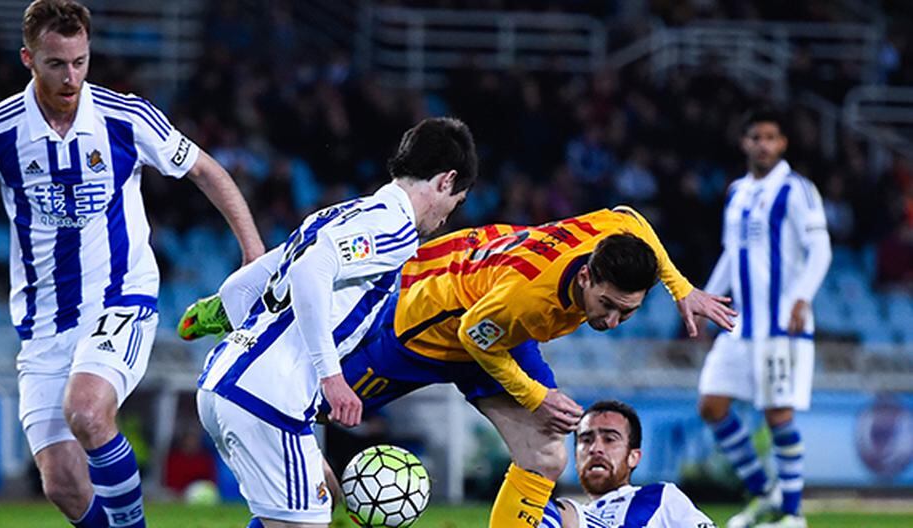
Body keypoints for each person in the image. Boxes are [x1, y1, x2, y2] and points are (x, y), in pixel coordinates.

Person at [186, 205, 736, 528]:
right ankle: (238, 303)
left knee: (544, 453)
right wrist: (536, 396)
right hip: (421, 324)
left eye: (628, 312)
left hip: (493, 325)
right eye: (608, 306)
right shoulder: (530, 296)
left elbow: (631, 218)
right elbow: (477, 334)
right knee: (295, 419)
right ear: (587, 277)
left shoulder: (614, 246)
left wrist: (680, 288)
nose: (614, 320)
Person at [0, 2, 264, 527]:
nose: (71, 77)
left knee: (88, 411)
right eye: (56, 64)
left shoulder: (125, 117)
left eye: (80, 62)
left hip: (120, 299)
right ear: (29, 58)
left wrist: (251, 250)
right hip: (43, 321)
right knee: (63, 484)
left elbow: (206, 171)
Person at [195, 116, 477, 527]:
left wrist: (260, 359)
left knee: (314, 506)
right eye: (458, 201)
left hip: (223, 383)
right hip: (266, 399)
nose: (449, 216)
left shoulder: (335, 215)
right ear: (446, 181)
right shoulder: (395, 228)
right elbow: (312, 270)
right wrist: (330, 377)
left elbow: (238, 290)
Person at [697, 107, 831, 528]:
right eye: (756, 137)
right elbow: (731, 256)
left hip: (780, 325)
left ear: (783, 143)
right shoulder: (737, 191)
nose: (764, 145)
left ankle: (793, 514)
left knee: (778, 414)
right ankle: (766, 494)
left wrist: (801, 298)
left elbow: (821, 251)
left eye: (772, 137)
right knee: (712, 404)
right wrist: (705, 300)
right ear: (745, 142)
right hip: (742, 326)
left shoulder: (797, 190)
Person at [541, 400, 716, 528]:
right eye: (586, 440)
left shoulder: (659, 497)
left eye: (609, 439)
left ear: (634, 457)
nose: (595, 448)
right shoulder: (575, 511)